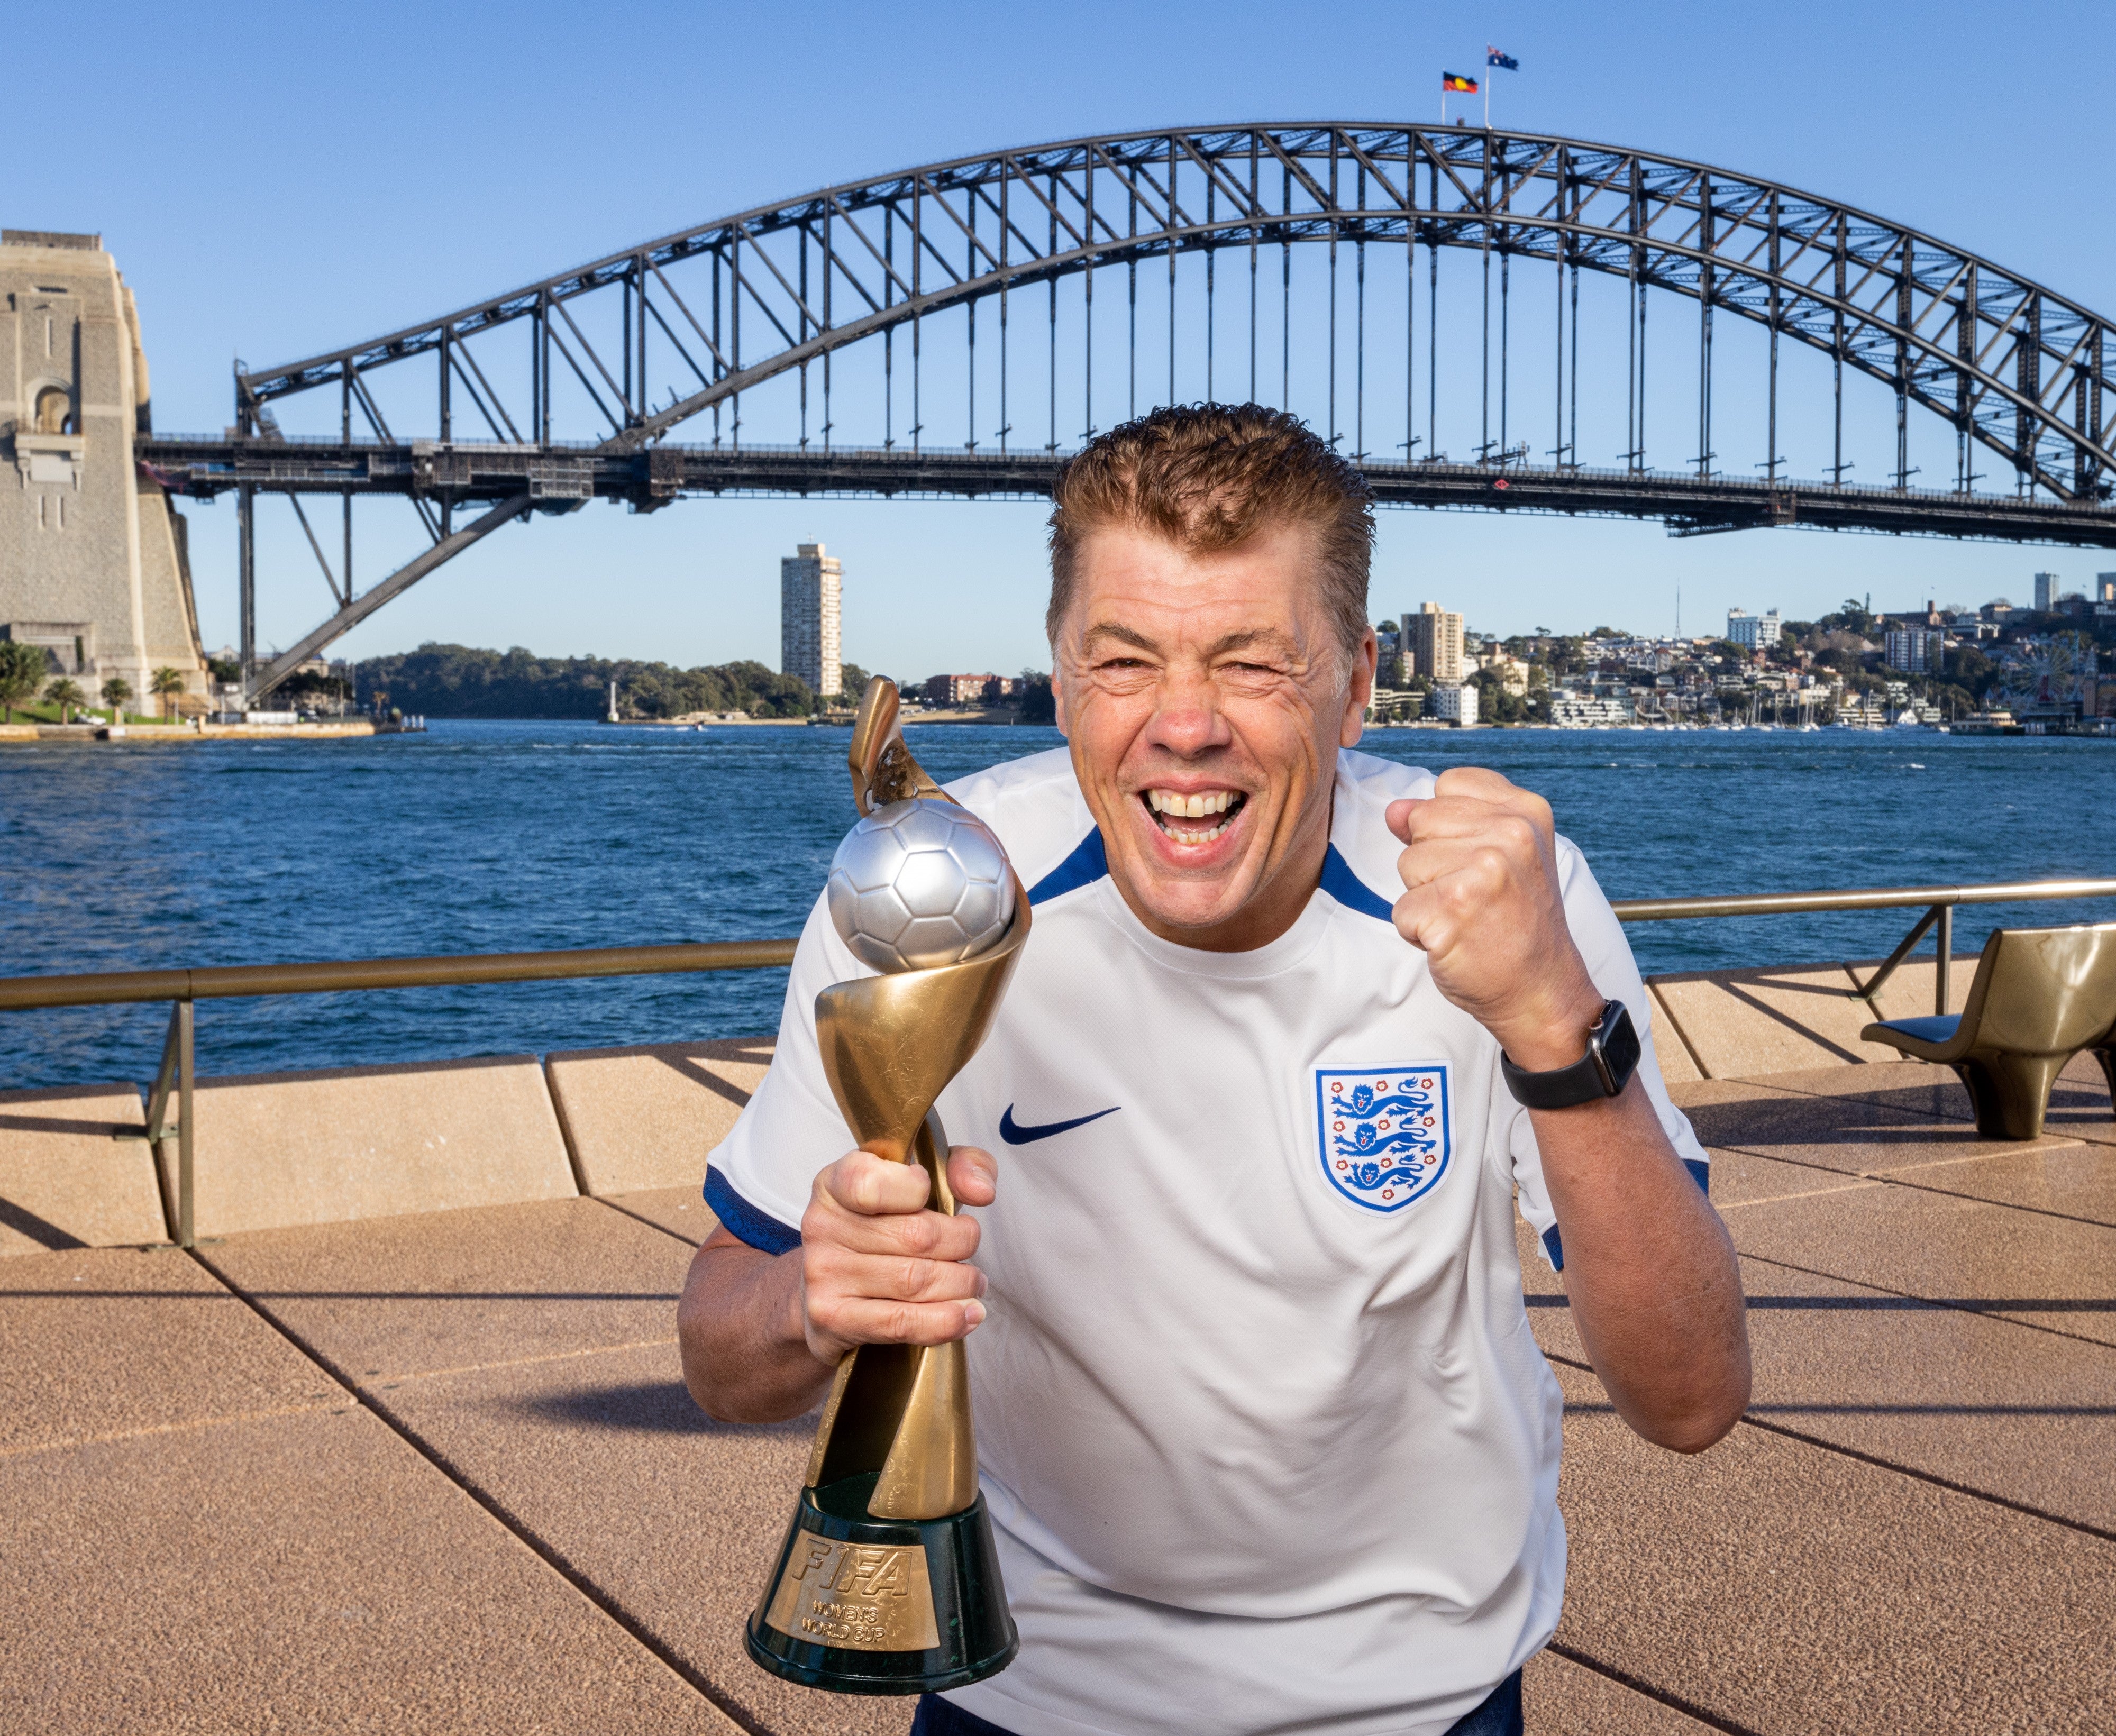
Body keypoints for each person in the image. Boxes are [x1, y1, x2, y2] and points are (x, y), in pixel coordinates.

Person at [680, 405, 1750, 1736]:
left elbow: (1690, 1397)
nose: (1182, 730)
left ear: (1356, 683)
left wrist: (1551, 1030)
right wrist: (816, 1298)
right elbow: (721, 1362)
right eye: (1123, 662)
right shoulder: (932, 894)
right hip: (1023, 1689)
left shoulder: (1504, 893)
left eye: (1251, 664)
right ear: (1061, 679)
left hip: (1420, 1695)